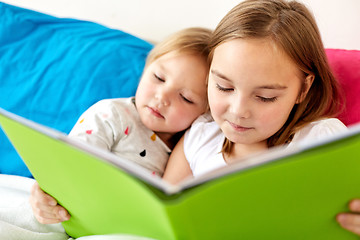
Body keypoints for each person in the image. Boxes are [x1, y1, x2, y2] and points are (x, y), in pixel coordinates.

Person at [162, 0, 359, 236]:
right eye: (224, 87)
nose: (238, 110)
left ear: (303, 89)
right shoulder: (200, 137)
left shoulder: (323, 141)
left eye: (265, 97)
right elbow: (165, 216)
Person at [29, 27, 211, 224]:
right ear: (145, 70)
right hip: (74, 216)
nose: (162, 97)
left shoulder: (188, 150)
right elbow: (68, 167)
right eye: (158, 78)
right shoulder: (112, 114)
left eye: (185, 98)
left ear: (205, 113)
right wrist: (45, 198)